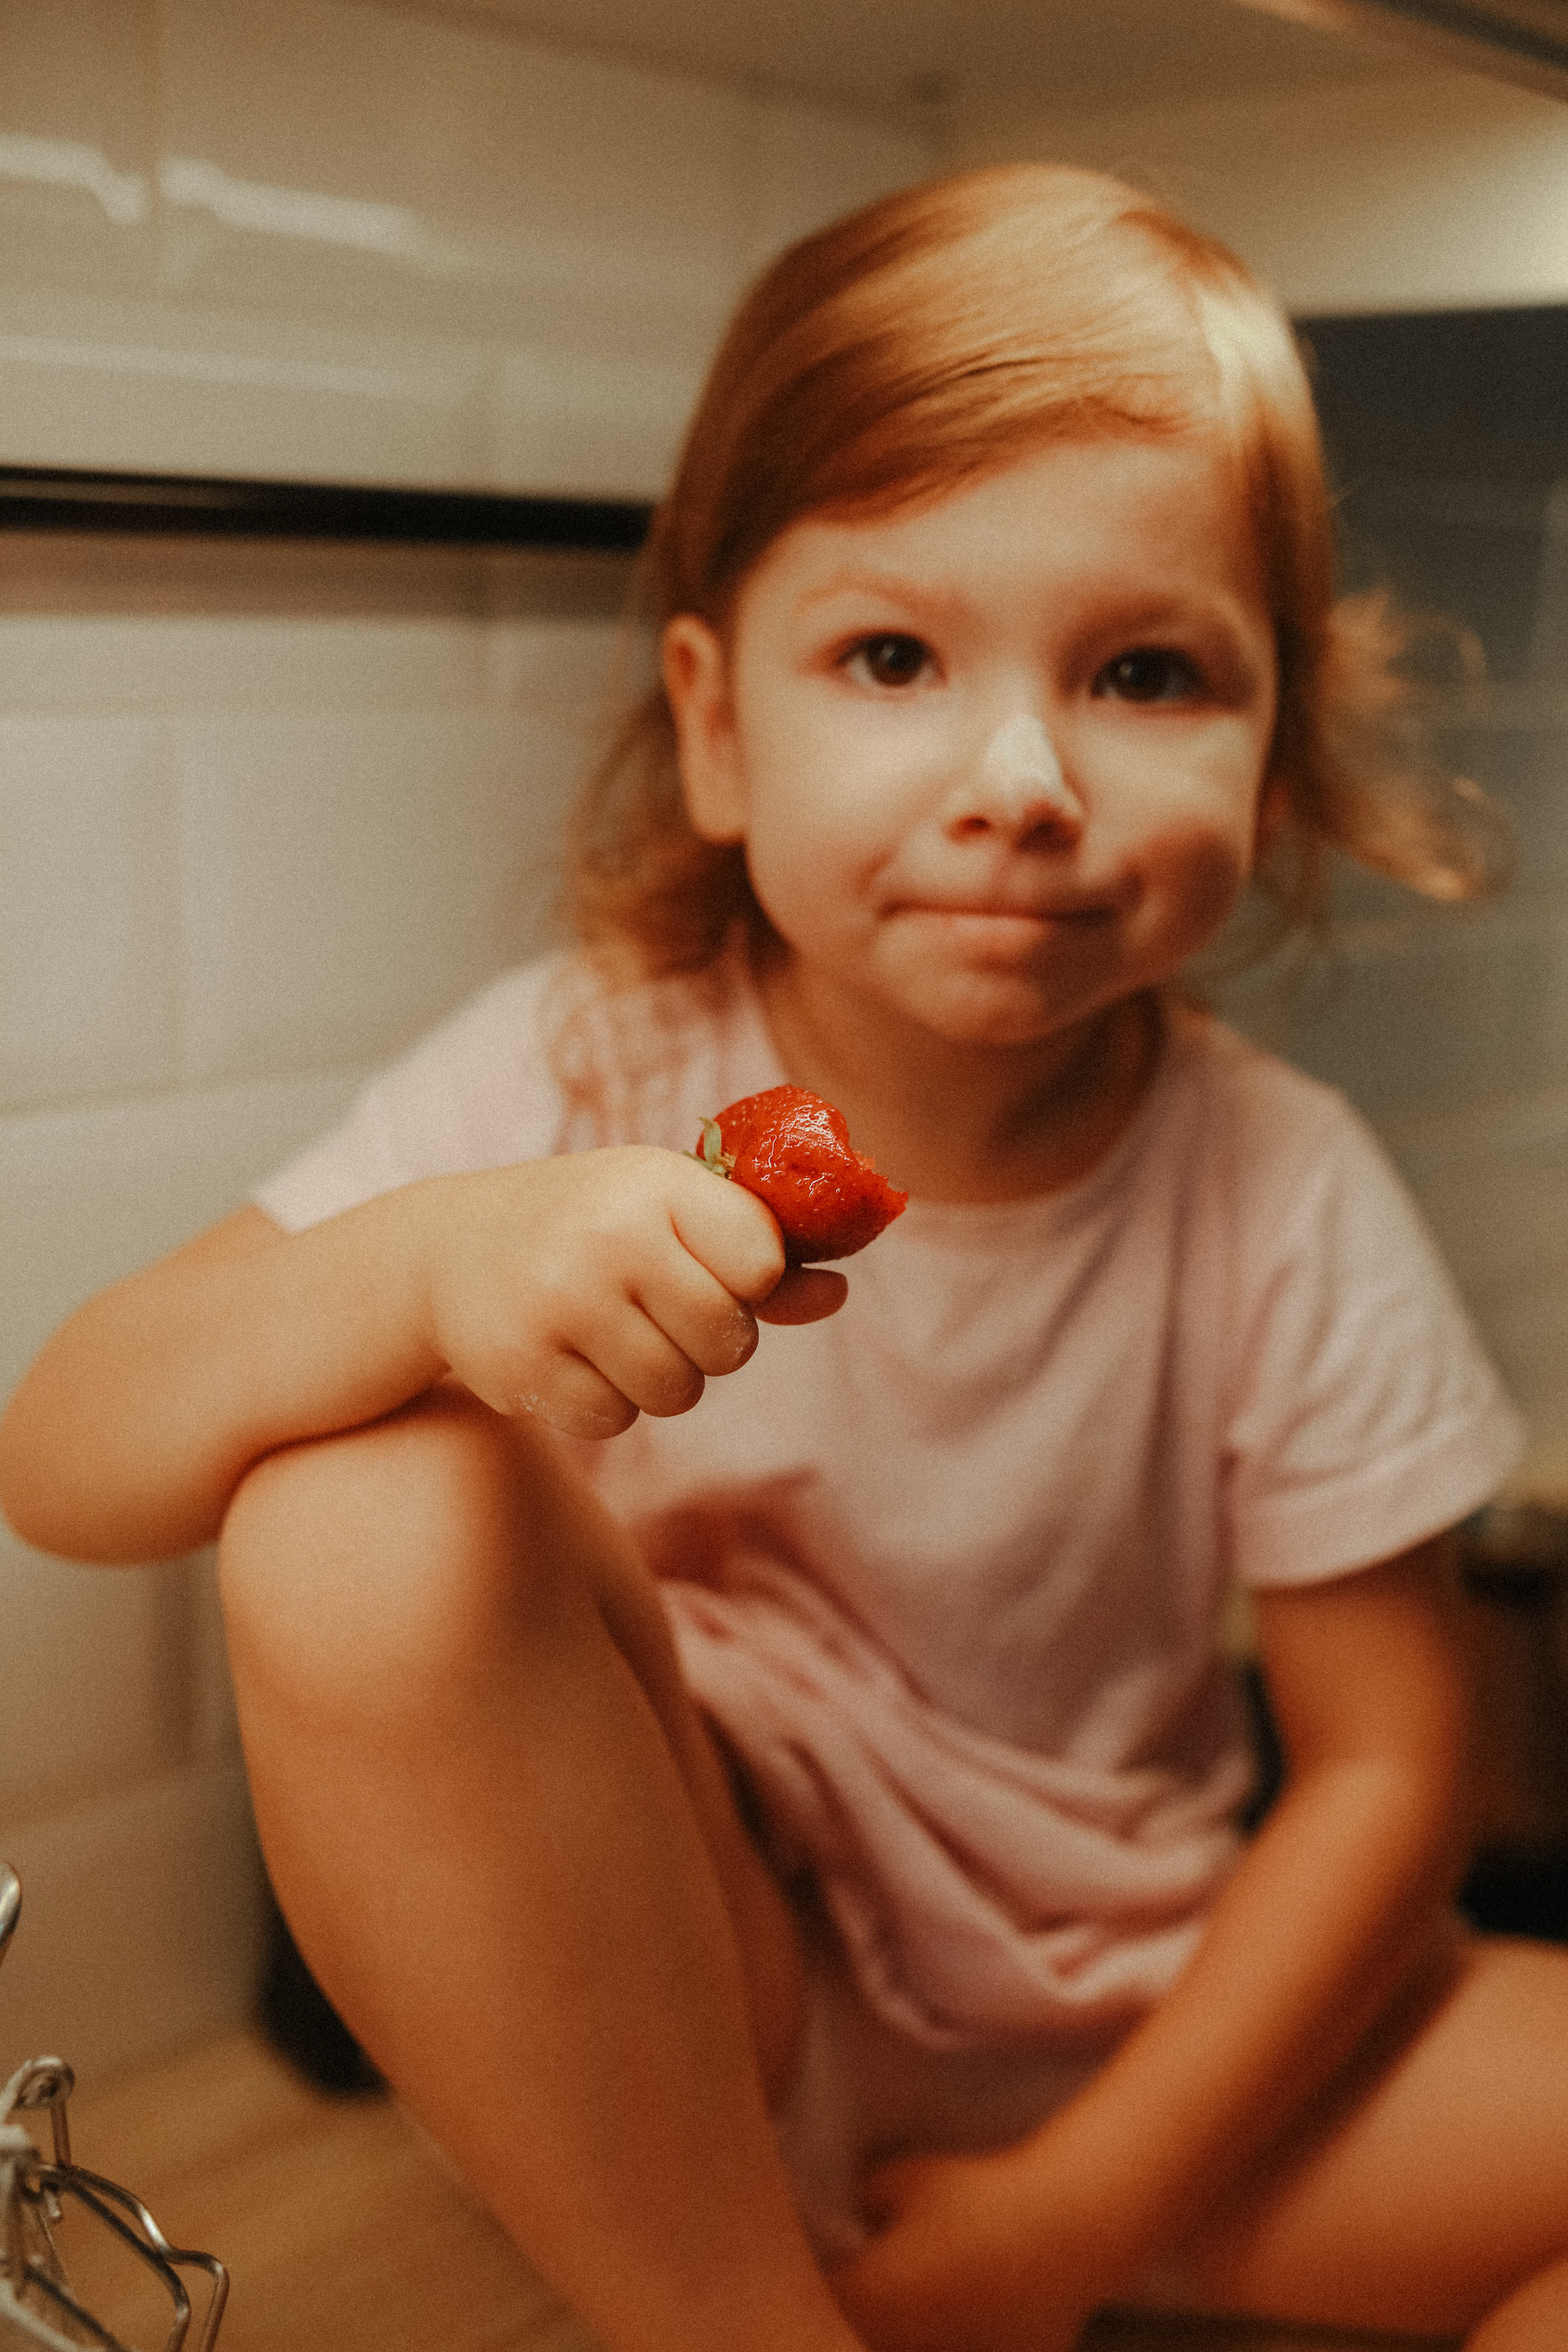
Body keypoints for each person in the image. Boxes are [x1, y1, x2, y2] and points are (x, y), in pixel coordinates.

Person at [2, 162, 1567, 2352]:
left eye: (1141, 671)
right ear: (721, 723)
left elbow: (1401, 1775)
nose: (1021, 778)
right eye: (896, 654)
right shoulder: (591, 1059)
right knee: (364, 1504)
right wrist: (429, 1270)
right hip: (684, 2020)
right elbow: (64, 1451)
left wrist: (1072, 2222)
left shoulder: (1272, 1180)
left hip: (1143, 2033)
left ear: (1276, 753)